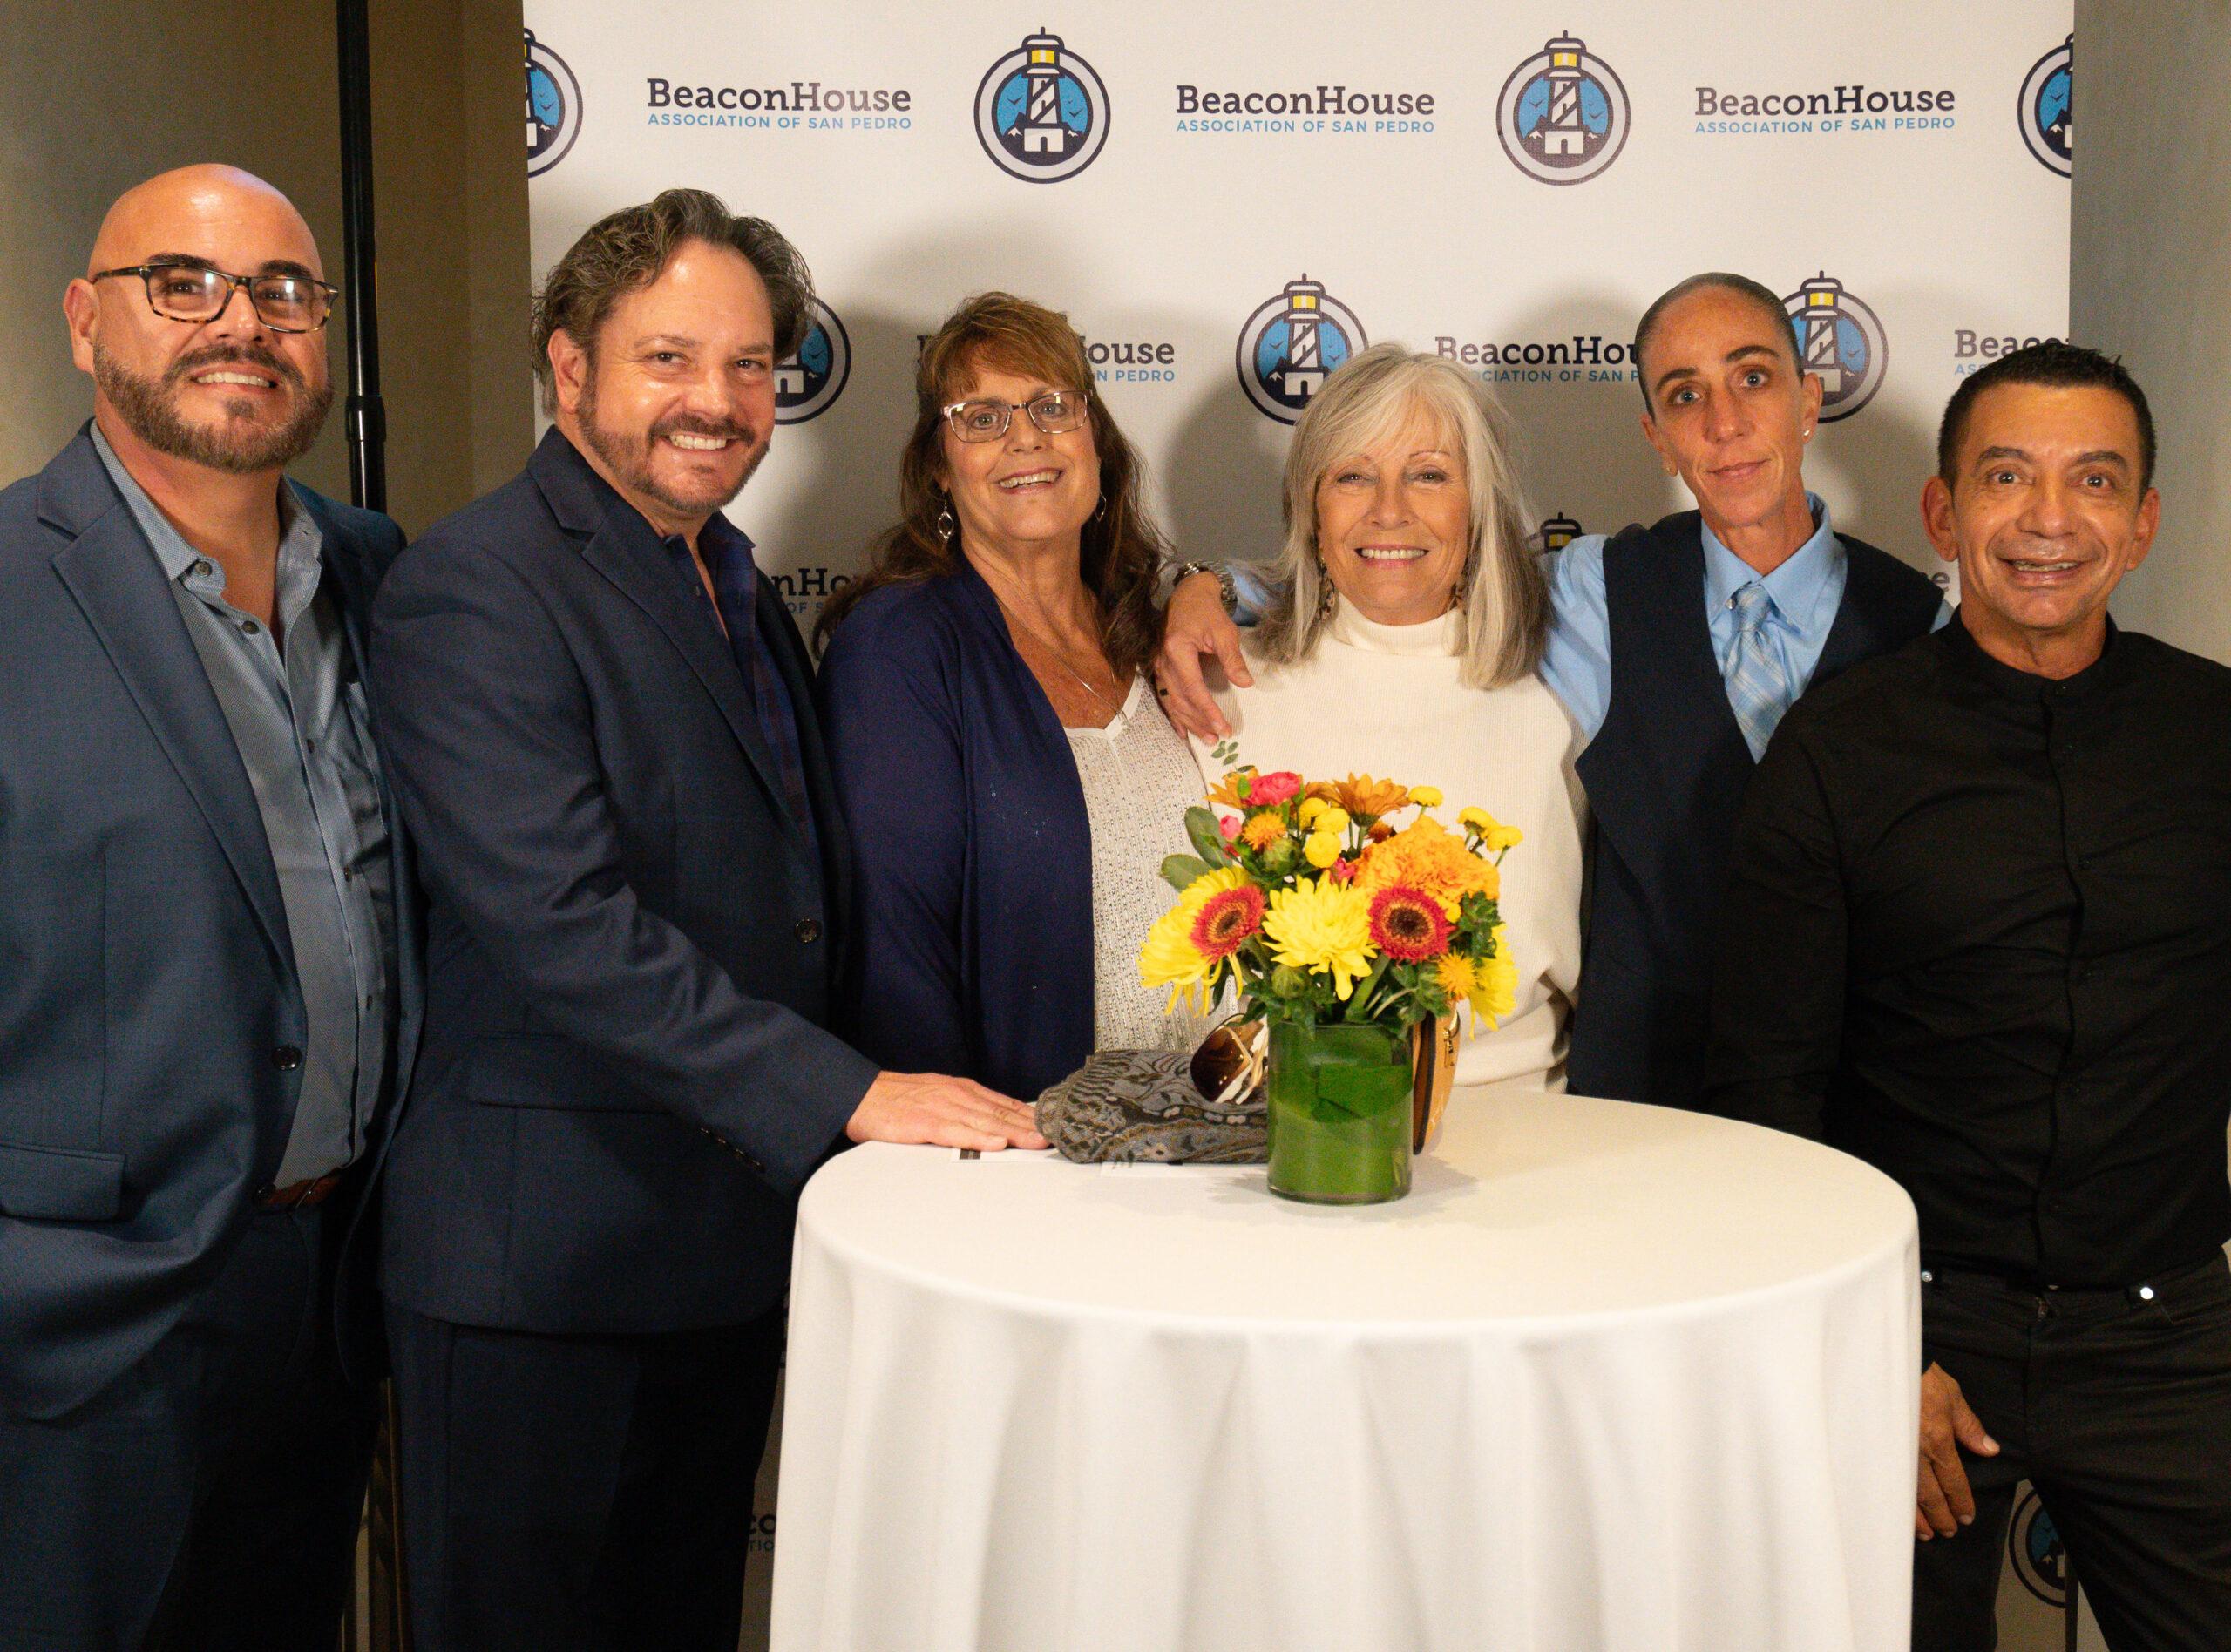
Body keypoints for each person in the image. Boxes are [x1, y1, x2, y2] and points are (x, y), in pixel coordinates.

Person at [368, 192, 1044, 1652]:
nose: (717, 401)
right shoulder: (477, 588)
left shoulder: (730, 574)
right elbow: (564, 926)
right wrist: (850, 1092)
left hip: (718, 1255)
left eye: (748, 366)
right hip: (541, 1283)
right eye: (668, 358)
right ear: (569, 368)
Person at [1706, 341, 2231, 1649]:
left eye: (2093, 481)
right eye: (2007, 478)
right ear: (1944, 514)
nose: (2050, 520)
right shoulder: (1837, 749)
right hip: (1913, 1329)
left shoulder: (2215, 730)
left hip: (2171, 1338)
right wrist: (1867, 1347)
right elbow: (1764, 1088)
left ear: (2142, 523)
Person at [1158, 273, 1945, 1107]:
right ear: (1657, 437)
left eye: (1753, 378)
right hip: (1639, 1091)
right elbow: (1383, 585)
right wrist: (1202, 586)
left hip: (1862, 1081)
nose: (1725, 422)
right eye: (1686, 396)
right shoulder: (1595, 591)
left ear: (1810, 400)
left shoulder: (1917, 623)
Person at [0, 165, 417, 1649]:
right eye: (182, 283)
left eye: (284, 290)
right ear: (84, 320)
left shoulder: (377, 572)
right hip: (78, 1345)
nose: (242, 322)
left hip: (332, 1305)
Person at [815, 293, 1208, 1099]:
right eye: (982, 418)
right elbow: (896, 955)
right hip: (1031, 1141)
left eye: (1052, 407)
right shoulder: (897, 648)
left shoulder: (1150, 628)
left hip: (1209, 1123)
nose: (1026, 437)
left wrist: (1211, 585)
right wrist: (969, 1151)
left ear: (1095, 439)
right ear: (938, 466)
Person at [1185, 344, 1581, 1086]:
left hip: (1523, 1121)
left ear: (1479, 507)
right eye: (1352, 476)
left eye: (1428, 475)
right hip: (1278, 1121)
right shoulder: (1217, 688)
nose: (1389, 510)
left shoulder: (1564, 699)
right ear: (1310, 508)